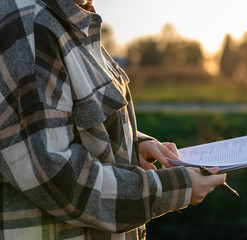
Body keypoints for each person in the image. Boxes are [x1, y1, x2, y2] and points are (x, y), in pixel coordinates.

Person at [0, 0, 226, 239]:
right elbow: (53, 173)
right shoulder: (29, 24)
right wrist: (173, 188)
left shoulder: (72, 19)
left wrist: (130, 144)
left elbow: (59, 121)